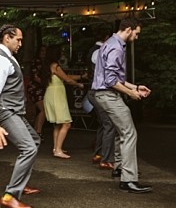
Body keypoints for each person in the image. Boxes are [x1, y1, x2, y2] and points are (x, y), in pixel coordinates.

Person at [89, 18, 153, 194]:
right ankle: (129, 179)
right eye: (136, 33)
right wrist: (130, 93)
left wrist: (135, 87)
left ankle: (119, 168)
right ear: (129, 29)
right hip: (108, 95)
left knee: (120, 131)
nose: (137, 37)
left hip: (103, 94)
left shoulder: (110, 43)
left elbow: (115, 78)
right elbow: (111, 81)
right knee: (129, 133)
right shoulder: (116, 48)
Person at [0, 24, 41, 208]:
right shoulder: (0, 60)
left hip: (13, 110)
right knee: (29, 148)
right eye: (18, 39)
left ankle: (21, 184)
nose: (21, 44)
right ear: (7, 38)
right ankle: (11, 196)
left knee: (34, 141)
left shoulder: (7, 57)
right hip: (7, 111)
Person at [41, 45, 85, 159]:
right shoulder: (55, 66)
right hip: (56, 96)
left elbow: (66, 76)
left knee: (58, 124)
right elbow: (67, 79)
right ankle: (58, 150)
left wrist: (81, 76)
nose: (62, 54)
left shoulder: (48, 66)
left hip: (51, 94)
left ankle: (56, 147)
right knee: (66, 123)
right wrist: (79, 84)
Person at [87, 32, 116, 170]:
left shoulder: (95, 51)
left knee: (104, 124)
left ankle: (99, 154)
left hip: (93, 91)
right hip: (99, 92)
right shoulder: (100, 51)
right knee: (109, 124)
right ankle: (106, 159)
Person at [26, 45, 47, 138]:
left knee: (42, 110)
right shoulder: (36, 62)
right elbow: (35, 77)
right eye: (42, 51)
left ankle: (35, 131)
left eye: (45, 51)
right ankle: (38, 132)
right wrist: (45, 83)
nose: (43, 53)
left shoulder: (44, 62)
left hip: (40, 88)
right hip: (35, 88)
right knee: (44, 110)